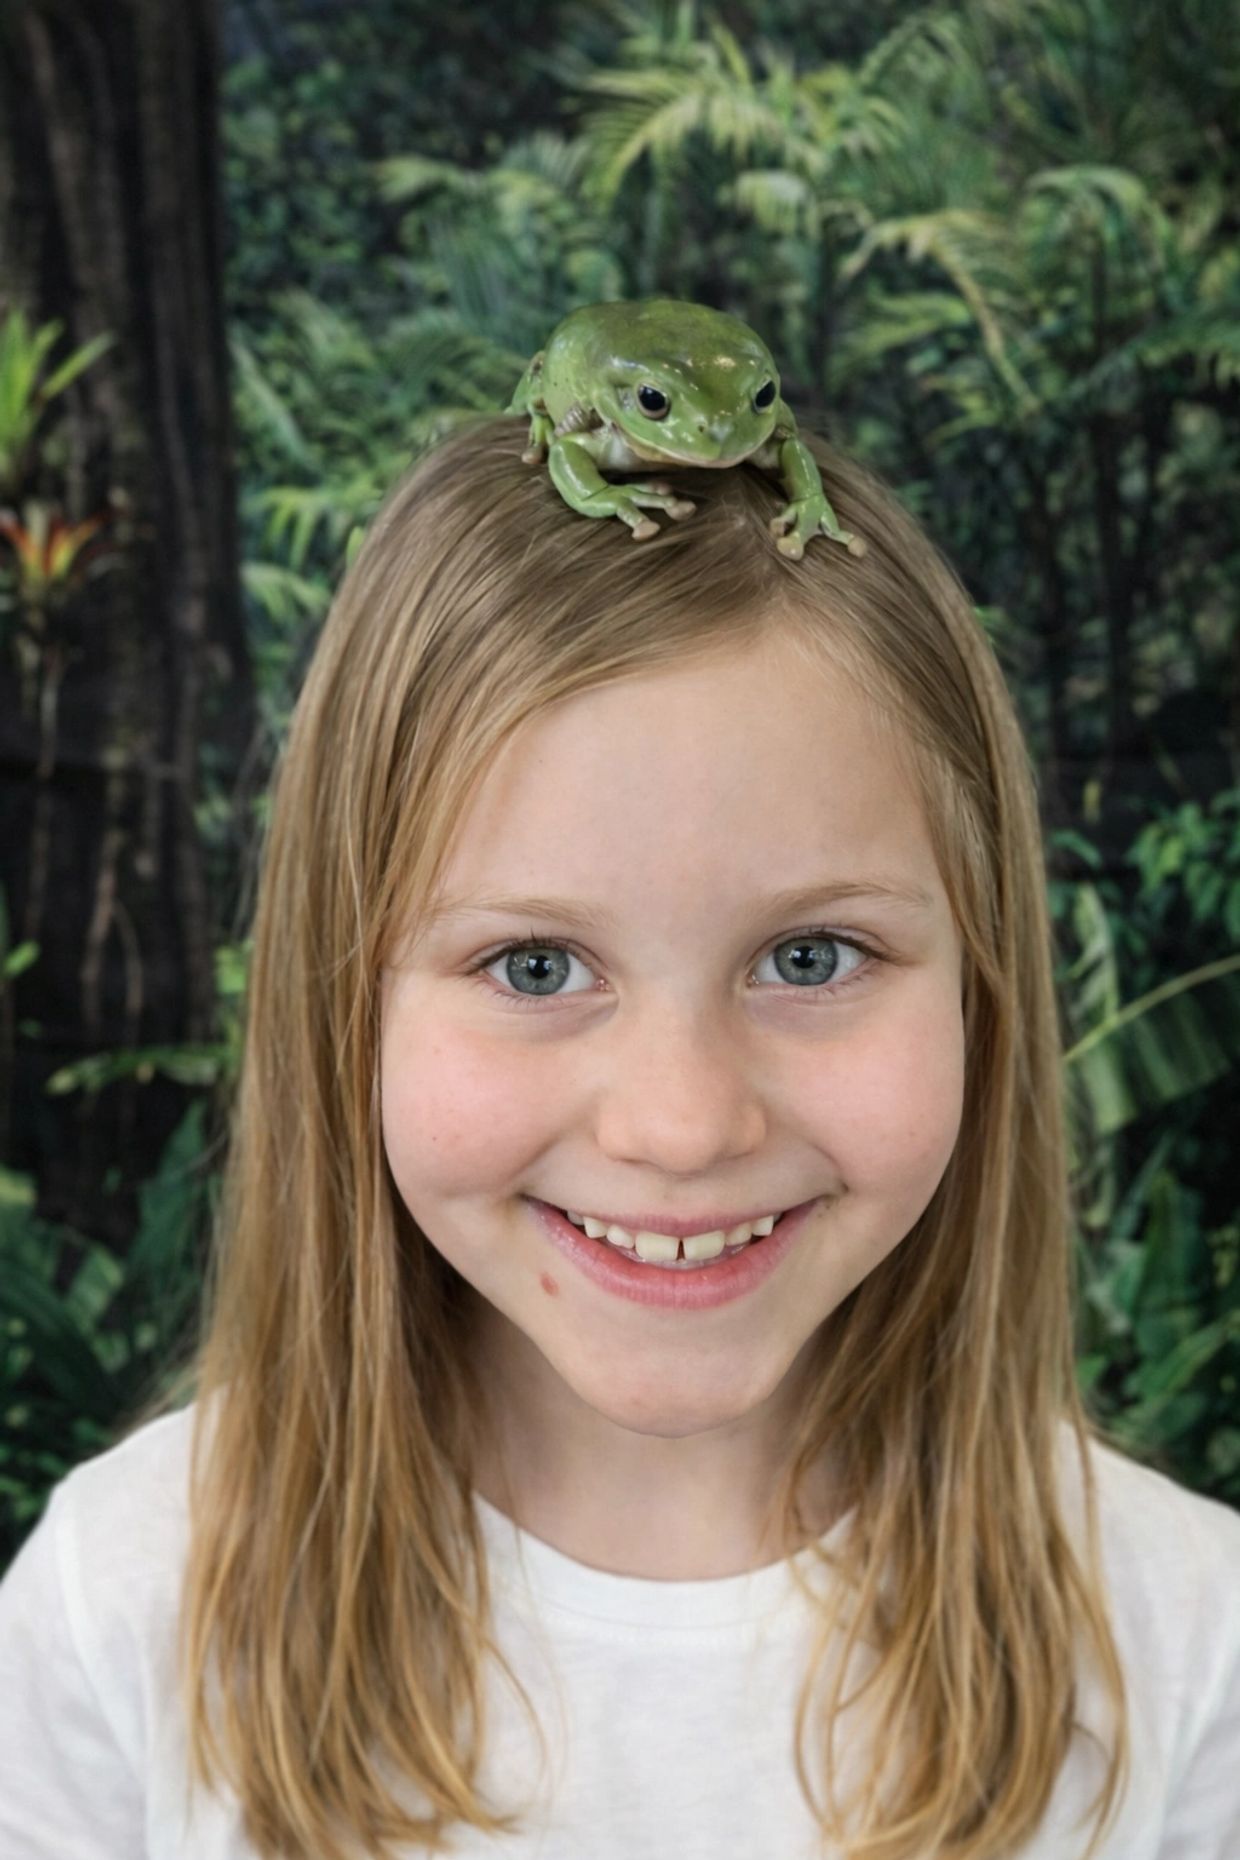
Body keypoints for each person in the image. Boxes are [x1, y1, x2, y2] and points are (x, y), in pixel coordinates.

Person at [1, 415, 1237, 1860]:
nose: (683, 1125)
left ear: (984, 985)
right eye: (535, 967)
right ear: (346, 1007)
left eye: (813, 956)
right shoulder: (118, 1609)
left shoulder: (1193, 1650)